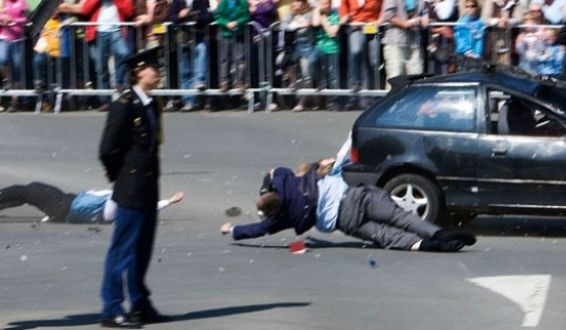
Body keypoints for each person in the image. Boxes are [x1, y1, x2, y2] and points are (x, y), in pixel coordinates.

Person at [220, 143, 476, 252]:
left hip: (344, 222)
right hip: (354, 198)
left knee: (387, 236)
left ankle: (429, 246)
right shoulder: (286, 181)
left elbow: (257, 229)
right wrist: (266, 186)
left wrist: (232, 229)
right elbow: (277, 171)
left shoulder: (280, 219)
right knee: (401, 216)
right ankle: (438, 234)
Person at [98, 47, 168, 328]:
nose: (158, 72)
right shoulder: (124, 104)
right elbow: (108, 149)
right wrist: (122, 178)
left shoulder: (152, 104)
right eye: (154, 68)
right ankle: (111, 307)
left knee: (142, 249)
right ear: (139, 71)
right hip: (131, 185)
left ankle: (139, 303)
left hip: (148, 185)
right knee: (122, 250)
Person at [0, 182, 183, 224]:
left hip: (63, 205)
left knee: (26, 191)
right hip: (66, 202)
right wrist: (168, 202)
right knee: (30, 190)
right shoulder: (119, 209)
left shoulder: (116, 207)